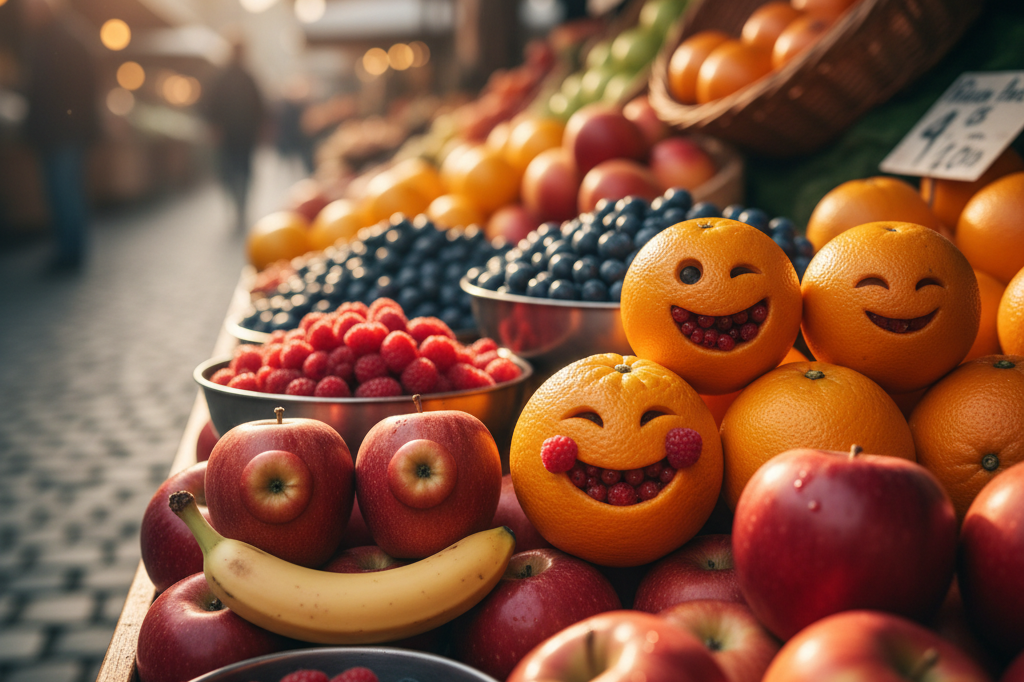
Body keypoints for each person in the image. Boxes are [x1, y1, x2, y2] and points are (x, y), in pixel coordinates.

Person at [24, 0, 99, 270]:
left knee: (63, 191)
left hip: (60, 130)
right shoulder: (70, 36)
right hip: (65, 130)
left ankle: (70, 253)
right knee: (65, 191)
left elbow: (47, 91)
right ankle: (70, 250)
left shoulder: (56, 40)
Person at [202, 39, 265, 231]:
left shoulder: (248, 77)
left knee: (243, 171)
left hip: (245, 134)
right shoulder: (222, 77)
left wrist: (260, 127)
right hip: (229, 134)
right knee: (229, 172)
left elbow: (260, 106)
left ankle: (241, 206)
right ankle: (237, 204)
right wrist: (214, 126)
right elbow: (210, 103)